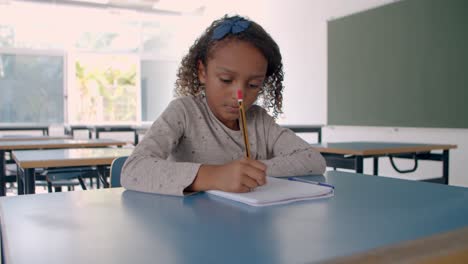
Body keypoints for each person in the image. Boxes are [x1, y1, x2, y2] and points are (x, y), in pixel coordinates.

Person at [121, 15, 326, 196]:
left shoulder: (260, 121)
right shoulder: (183, 112)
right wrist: (214, 176)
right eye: (226, 80)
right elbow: (133, 170)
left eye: (253, 84)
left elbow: (313, 160)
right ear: (202, 72)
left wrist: (249, 172)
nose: (240, 95)